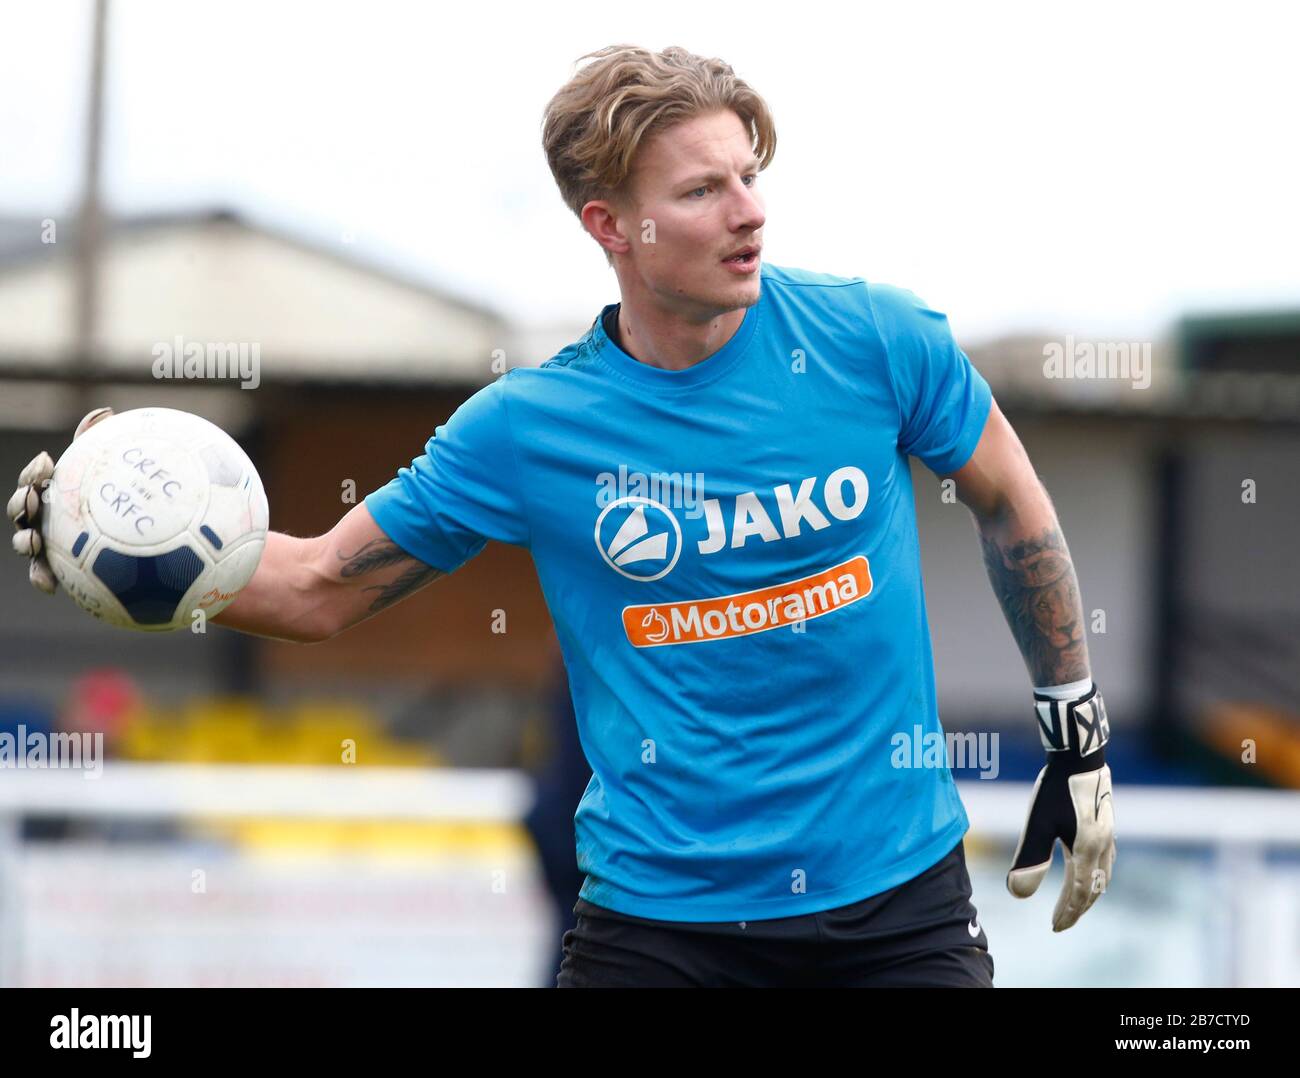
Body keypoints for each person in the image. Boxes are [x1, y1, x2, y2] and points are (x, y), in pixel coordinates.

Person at [9, 44, 1114, 988]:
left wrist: (1073, 725)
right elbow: (313, 586)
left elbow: (1010, 499)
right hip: (659, 926)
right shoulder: (527, 429)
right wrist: (104, 553)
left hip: (898, 913)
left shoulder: (876, 338)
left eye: (750, 174)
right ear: (610, 224)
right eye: (702, 191)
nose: (749, 212)